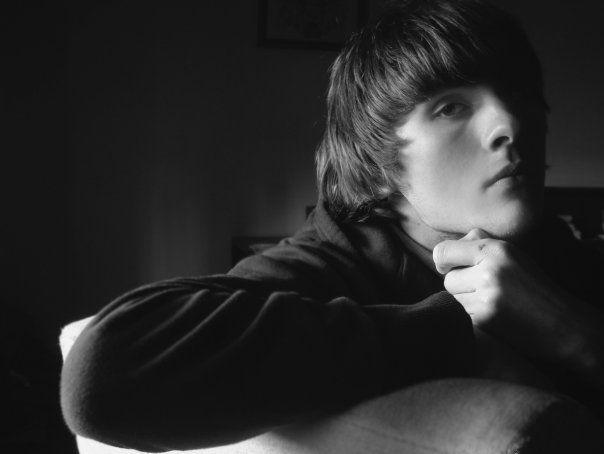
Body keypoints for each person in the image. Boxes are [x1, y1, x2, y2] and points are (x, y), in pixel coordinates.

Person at [61, 0, 604, 451]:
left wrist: (573, 334)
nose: (510, 123)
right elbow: (105, 375)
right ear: (380, 163)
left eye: (521, 95)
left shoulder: (571, 262)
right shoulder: (326, 268)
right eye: (450, 108)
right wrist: (455, 336)